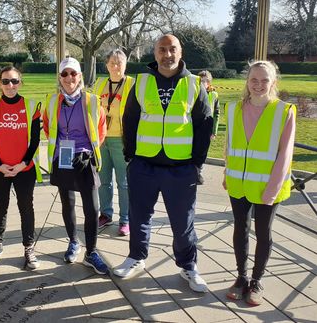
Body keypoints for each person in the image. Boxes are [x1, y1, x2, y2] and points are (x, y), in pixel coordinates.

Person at [113, 34, 213, 293]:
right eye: (162, 50)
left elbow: (204, 125)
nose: (167, 55)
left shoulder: (193, 84)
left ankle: (188, 266)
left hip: (180, 169)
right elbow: (130, 118)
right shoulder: (143, 82)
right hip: (144, 165)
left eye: (172, 49)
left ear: (181, 52)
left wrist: (197, 164)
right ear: (155, 53)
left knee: (183, 223)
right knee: (139, 217)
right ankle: (136, 258)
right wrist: (131, 156)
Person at [224, 61, 295, 306]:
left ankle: (257, 280)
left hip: (268, 186)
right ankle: (241, 277)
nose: (259, 85)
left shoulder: (284, 111)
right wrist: (226, 173)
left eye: (265, 80)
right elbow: (229, 145)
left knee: (263, 233)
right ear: (247, 81)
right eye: (254, 80)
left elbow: (285, 154)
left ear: (273, 82)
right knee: (239, 229)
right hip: (238, 182)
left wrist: (273, 189)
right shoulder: (233, 108)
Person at [43, 57, 109, 275]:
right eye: (65, 74)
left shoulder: (92, 100)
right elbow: (47, 127)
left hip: (85, 158)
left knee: (92, 208)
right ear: (60, 78)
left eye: (73, 74)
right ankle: (73, 242)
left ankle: (91, 252)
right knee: (67, 203)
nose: (69, 78)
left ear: (80, 76)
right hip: (63, 156)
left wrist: (88, 149)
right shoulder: (52, 102)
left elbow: (100, 128)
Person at [0, 66, 42, 269]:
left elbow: (34, 141)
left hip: (24, 169)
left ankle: (29, 248)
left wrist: (21, 164)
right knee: (0, 206)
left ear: (20, 83)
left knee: (26, 207)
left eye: (14, 81)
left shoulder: (32, 106)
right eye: (6, 81)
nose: (10, 85)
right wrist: (0, 165)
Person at [93, 49, 134, 236]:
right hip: (101, 139)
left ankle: (126, 219)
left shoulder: (132, 84)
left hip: (122, 139)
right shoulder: (100, 84)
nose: (116, 66)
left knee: (124, 182)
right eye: (112, 63)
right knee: (103, 181)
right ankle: (105, 214)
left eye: (119, 63)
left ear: (125, 64)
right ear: (106, 65)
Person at [197, 70, 220, 185]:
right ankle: (195, 171)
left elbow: (217, 114)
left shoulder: (214, 95)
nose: (202, 83)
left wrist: (214, 131)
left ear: (209, 83)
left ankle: (199, 171)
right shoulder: (195, 92)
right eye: (200, 81)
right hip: (195, 127)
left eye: (205, 81)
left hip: (207, 127)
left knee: (203, 151)